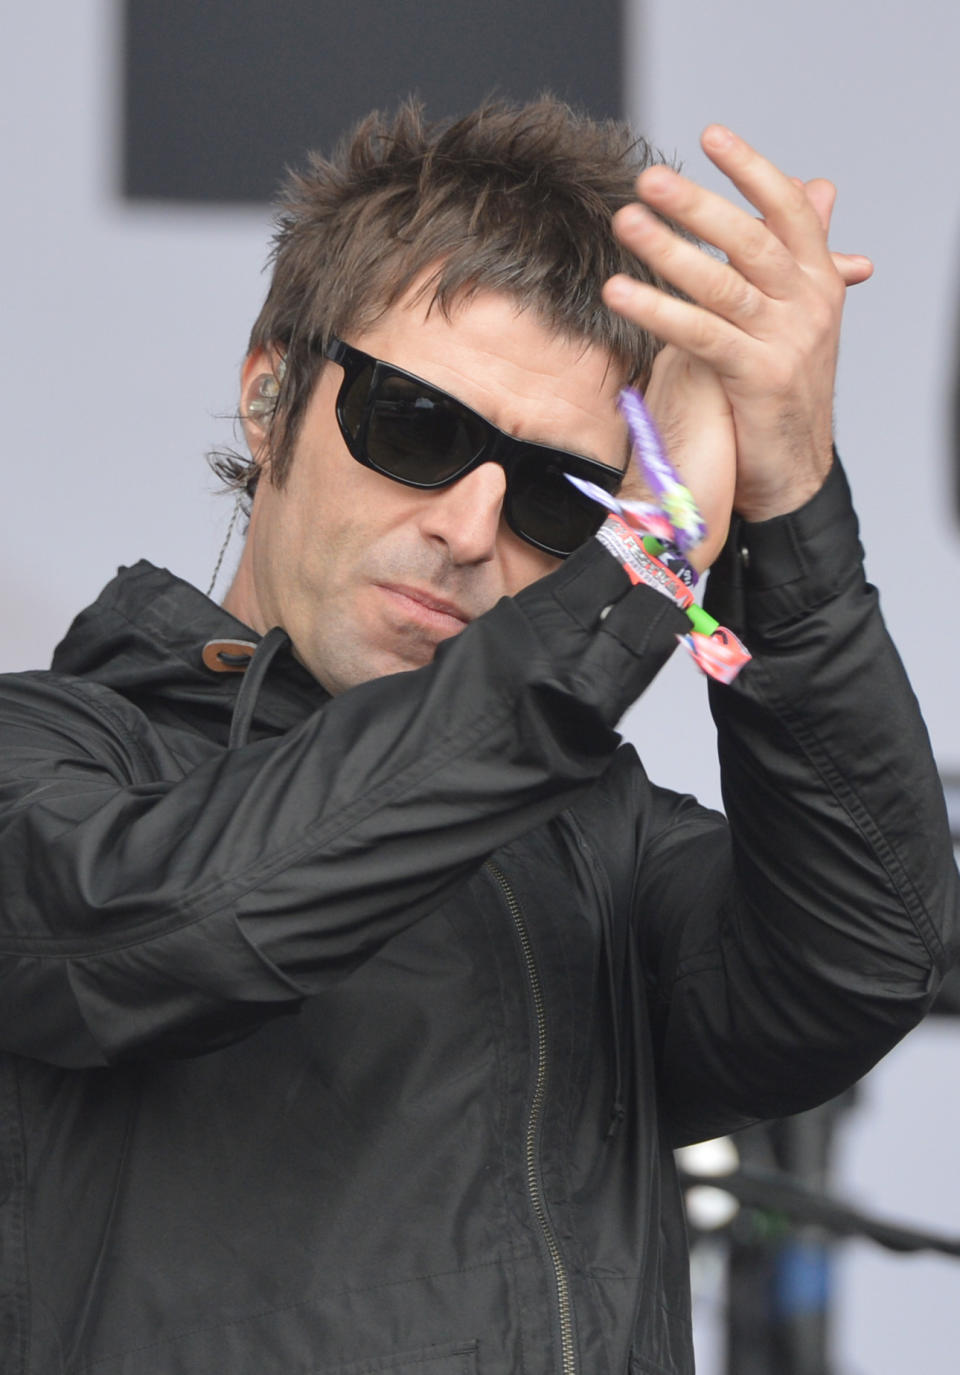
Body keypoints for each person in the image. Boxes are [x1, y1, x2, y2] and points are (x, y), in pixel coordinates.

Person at [0, 99, 955, 1375]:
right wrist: (636, 567)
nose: (466, 528)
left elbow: (870, 954)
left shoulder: (593, 834)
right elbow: (179, 923)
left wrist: (785, 505)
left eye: (564, 495)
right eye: (416, 427)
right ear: (270, 390)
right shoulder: (47, 754)